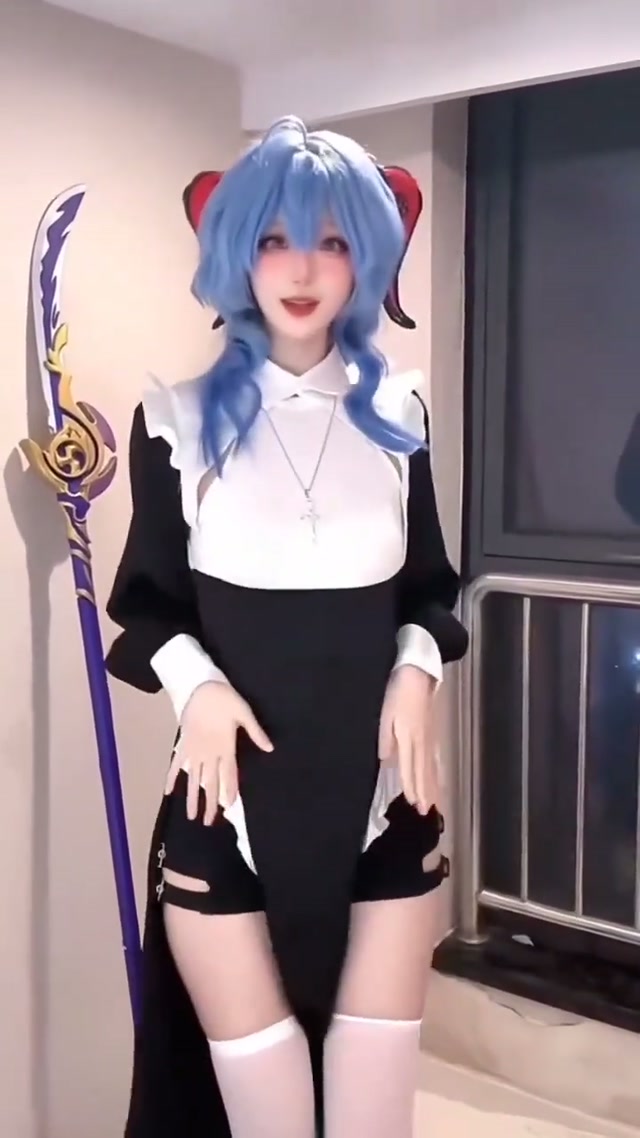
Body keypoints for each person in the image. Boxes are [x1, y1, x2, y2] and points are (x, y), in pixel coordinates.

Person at [105, 115, 468, 1138]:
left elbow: (431, 592)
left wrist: (416, 673)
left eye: (332, 240)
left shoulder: (401, 415)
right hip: (225, 803)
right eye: (273, 239)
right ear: (236, 252)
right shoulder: (173, 422)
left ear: (367, 256)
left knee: (369, 1114)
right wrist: (200, 689)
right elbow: (147, 608)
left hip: (385, 797)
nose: (301, 269)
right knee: (260, 1113)